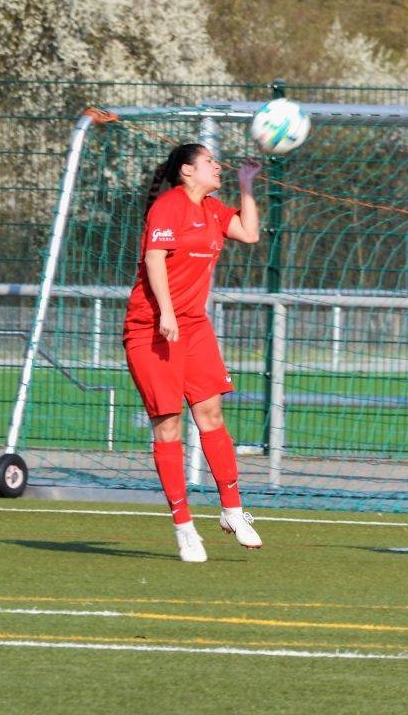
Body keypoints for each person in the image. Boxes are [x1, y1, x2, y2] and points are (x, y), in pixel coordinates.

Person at [123, 143, 263, 562]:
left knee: (211, 414)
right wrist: (166, 312)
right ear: (186, 171)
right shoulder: (169, 206)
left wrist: (246, 185)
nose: (217, 166)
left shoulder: (213, 209)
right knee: (168, 427)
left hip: (194, 327)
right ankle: (184, 527)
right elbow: (154, 259)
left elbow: (250, 233)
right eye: (209, 162)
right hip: (151, 329)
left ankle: (232, 511)